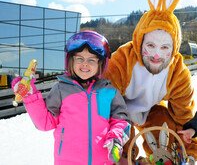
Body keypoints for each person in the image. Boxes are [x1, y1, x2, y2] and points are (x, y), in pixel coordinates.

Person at [104, 0, 197, 163]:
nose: (157, 55)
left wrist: (189, 151)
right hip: (119, 112)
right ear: (140, 42)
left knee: (163, 120)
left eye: (164, 47)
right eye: (150, 46)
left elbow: (184, 114)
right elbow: (104, 99)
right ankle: (124, 158)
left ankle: (165, 159)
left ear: (174, 49)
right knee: (121, 142)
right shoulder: (124, 59)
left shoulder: (177, 72)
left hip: (150, 111)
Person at [11, 30, 131, 165]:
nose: (85, 64)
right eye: (80, 59)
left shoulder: (109, 92)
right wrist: (30, 95)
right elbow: (45, 123)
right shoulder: (61, 89)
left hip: (102, 161)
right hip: (67, 161)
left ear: (101, 64)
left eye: (91, 60)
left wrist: (115, 137)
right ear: (70, 61)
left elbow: (121, 121)